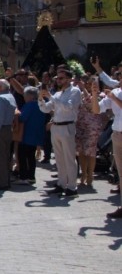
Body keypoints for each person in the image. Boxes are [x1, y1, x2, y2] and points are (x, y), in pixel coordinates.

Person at [39, 68, 82, 198]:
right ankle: (61, 183)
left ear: (69, 79)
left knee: (69, 158)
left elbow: (68, 107)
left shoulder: (75, 91)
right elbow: (46, 109)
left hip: (67, 126)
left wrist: (50, 96)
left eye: (61, 78)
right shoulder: (57, 94)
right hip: (56, 127)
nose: (58, 80)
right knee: (59, 158)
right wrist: (41, 99)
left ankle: (72, 187)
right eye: (57, 78)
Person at [93, 79, 122, 218]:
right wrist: (94, 94)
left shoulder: (114, 95)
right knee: (121, 173)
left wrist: (114, 98)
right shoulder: (115, 92)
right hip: (117, 134)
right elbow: (96, 109)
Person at [75, 77, 105, 187]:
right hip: (81, 125)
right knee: (81, 151)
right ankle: (83, 174)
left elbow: (91, 105)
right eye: (89, 83)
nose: (90, 85)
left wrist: (84, 89)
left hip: (92, 127)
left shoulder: (101, 96)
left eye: (94, 84)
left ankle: (90, 175)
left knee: (91, 153)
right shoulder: (81, 94)